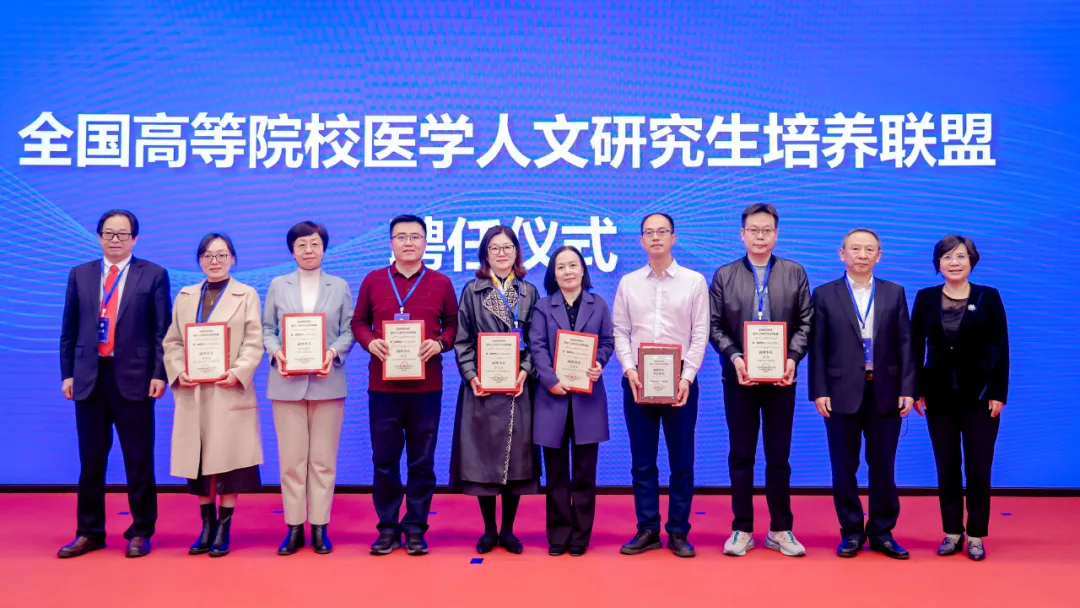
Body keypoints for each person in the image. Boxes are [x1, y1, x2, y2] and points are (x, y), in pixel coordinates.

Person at [57, 209, 170, 559]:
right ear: (99, 236)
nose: (115, 239)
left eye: (123, 234)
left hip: (136, 379)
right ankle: (89, 531)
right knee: (91, 460)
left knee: (138, 459)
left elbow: (162, 331)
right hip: (89, 378)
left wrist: (159, 374)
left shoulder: (153, 274)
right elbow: (69, 330)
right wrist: (67, 373)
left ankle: (141, 530)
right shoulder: (80, 274)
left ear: (135, 238)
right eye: (109, 233)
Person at [708, 203, 812, 558]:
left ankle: (780, 529)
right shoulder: (725, 275)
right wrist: (735, 357)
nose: (760, 236)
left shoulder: (794, 272)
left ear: (776, 234)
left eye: (767, 230)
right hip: (739, 378)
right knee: (741, 454)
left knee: (779, 456)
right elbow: (714, 325)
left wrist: (792, 358)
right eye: (754, 230)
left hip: (782, 379)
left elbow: (806, 322)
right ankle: (742, 528)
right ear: (742, 234)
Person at [351, 214, 458, 556]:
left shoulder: (441, 282)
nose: (408, 242)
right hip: (383, 388)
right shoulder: (373, 280)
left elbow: (454, 325)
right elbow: (358, 322)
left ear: (425, 242)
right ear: (391, 242)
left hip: (426, 388)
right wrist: (369, 342)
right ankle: (387, 529)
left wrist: (440, 343)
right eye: (401, 236)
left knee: (421, 461)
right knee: (384, 460)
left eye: (415, 236)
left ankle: (415, 529)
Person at [809, 229, 915, 560]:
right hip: (840, 392)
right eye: (855, 249)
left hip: (886, 390)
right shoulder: (824, 294)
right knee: (844, 466)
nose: (862, 255)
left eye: (869, 250)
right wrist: (819, 390)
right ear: (842, 253)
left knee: (883, 465)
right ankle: (851, 531)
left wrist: (908, 388)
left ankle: (882, 532)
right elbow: (818, 345)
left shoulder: (894, 292)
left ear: (879, 256)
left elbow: (906, 343)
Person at [613, 213, 709, 558]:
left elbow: (700, 332)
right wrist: (629, 369)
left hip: (680, 380)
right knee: (642, 461)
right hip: (638, 380)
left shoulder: (694, 281)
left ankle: (679, 531)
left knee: (681, 461)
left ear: (673, 237)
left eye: (662, 232)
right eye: (649, 233)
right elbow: (620, 330)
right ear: (641, 240)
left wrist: (687, 377)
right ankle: (648, 529)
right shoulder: (628, 283)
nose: (656, 238)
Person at [163, 233, 264, 558]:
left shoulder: (246, 295)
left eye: (221, 255)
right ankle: (206, 526)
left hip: (227, 390)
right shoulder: (185, 296)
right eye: (208, 255)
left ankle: (223, 527)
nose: (215, 261)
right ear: (199, 260)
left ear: (232, 259)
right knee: (199, 461)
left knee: (229, 462)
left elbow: (254, 342)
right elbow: (172, 341)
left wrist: (237, 372)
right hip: (194, 391)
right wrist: (179, 371)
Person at [912, 235, 1009, 561]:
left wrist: (997, 392)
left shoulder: (988, 296)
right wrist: (915, 389)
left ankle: (977, 534)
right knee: (947, 465)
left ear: (971, 261)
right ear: (938, 264)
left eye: (961, 256)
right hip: (938, 396)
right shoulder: (925, 297)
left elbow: (1000, 346)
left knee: (979, 468)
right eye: (947, 257)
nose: (954, 262)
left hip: (980, 396)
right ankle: (952, 532)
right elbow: (914, 346)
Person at [263, 221, 355, 555]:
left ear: (324, 248)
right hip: (286, 383)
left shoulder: (339, 286)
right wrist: (277, 353)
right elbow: (267, 329)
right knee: (291, 461)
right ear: (292, 250)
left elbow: (348, 331)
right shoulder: (278, 284)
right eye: (301, 245)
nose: (308, 250)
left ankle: (319, 527)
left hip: (327, 382)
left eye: (315, 244)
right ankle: (293, 528)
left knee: (322, 461)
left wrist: (332, 353)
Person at [451, 225, 541, 555]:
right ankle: (489, 530)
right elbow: (462, 340)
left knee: (516, 460)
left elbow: (537, 341)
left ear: (517, 252)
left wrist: (525, 371)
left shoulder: (528, 291)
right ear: (485, 255)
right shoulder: (472, 290)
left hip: (517, 386)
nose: (502, 253)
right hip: (482, 386)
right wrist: (471, 375)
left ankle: (508, 530)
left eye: (507, 247)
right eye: (495, 248)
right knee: (484, 458)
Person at [529, 246, 615, 557]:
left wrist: (599, 363)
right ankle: (558, 534)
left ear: (582, 270)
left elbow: (607, 341)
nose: (567, 271)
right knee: (555, 474)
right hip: (551, 398)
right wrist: (551, 380)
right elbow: (537, 346)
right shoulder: (542, 307)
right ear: (553, 274)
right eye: (561, 266)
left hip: (587, 399)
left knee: (584, 473)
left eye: (573, 265)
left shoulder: (598, 304)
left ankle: (580, 535)